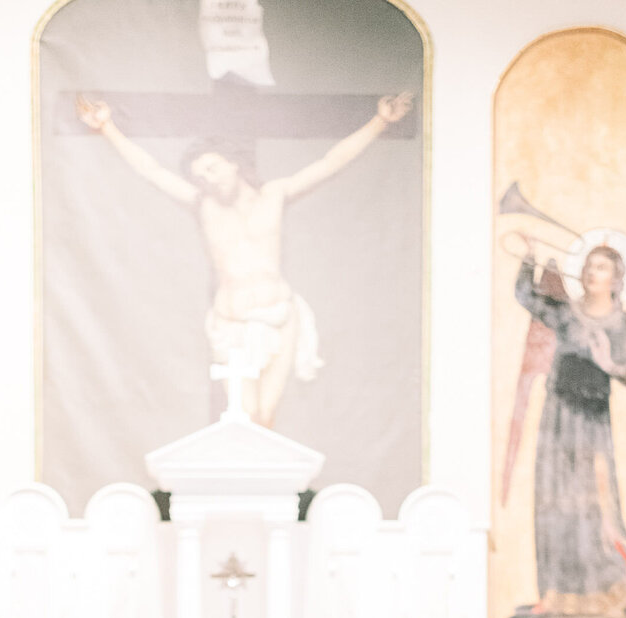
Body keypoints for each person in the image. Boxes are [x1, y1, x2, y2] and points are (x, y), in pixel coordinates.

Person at [75, 93, 412, 427]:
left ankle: (270, 479)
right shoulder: (202, 205)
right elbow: (150, 171)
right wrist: (108, 128)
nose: (207, 177)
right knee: (245, 416)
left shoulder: (274, 195)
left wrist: (380, 122)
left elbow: (330, 163)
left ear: (233, 163)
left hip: (279, 314)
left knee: (266, 414)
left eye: (212, 167)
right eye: (200, 175)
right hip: (231, 323)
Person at [505, 244, 626, 618]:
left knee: (593, 506)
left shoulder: (622, 326)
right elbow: (526, 297)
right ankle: (555, 594)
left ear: (616, 277)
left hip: (591, 423)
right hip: (557, 419)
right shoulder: (567, 314)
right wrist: (528, 256)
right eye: (589, 267)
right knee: (553, 503)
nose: (593, 274)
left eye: (602, 268)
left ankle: (600, 589)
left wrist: (607, 361)